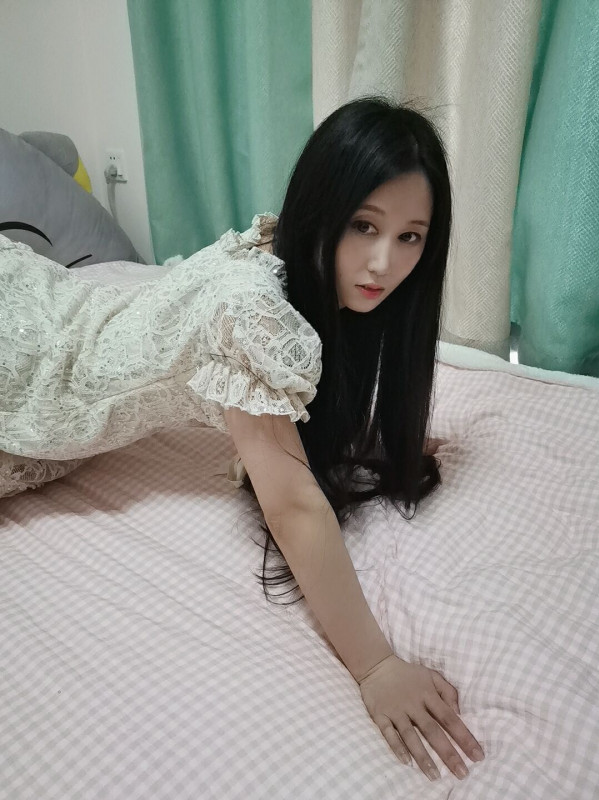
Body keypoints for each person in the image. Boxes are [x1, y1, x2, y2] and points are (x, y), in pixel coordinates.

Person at [0, 97, 485, 782]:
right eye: (363, 225)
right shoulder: (255, 311)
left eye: (410, 236)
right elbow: (292, 504)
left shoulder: (301, 269)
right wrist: (376, 665)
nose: (383, 262)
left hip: (72, 313)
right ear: (321, 208)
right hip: (27, 369)